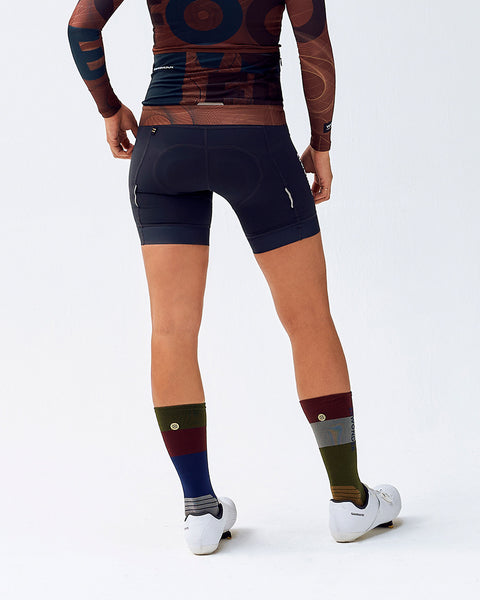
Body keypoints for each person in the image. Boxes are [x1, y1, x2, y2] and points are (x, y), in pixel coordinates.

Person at [67, 0, 401, 555]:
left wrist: (109, 107)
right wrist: (321, 143)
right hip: (256, 142)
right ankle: (348, 500)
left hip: (163, 145)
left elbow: (81, 25)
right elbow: (314, 48)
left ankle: (200, 509)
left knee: (171, 330)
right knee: (309, 321)